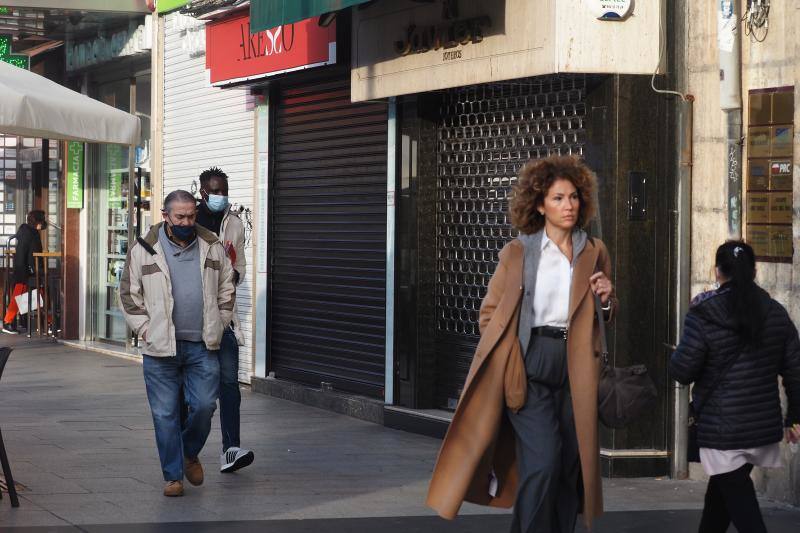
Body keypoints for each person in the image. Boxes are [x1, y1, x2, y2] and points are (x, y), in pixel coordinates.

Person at [427, 156, 615, 533]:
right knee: (543, 462)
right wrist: (512, 354)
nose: (569, 205)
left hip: (577, 367)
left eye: (574, 197)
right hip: (528, 365)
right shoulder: (518, 253)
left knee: (568, 466)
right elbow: (488, 315)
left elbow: (602, 315)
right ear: (540, 203)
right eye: (558, 198)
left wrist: (608, 299)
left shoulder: (594, 251)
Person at [671, 241, 800, 533]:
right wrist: (794, 416)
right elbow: (794, 369)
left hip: (722, 430)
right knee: (720, 498)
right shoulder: (776, 313)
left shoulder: (703, 313)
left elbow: (683, 369)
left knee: (741, 504)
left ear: (717, 272)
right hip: (761, 426)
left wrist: (678, 353)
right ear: (754, 271)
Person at [119, 189, 236, 497]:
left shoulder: (211, 245)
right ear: (165, 216)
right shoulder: (143, 249)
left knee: (204, 406)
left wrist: (222, 321)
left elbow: (227, 287)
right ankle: (173, 476)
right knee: (165, 414)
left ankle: (188, 452)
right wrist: (145, 329)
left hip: (202, 344)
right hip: (160, 349)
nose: (187, 221)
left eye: (191, 216)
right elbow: (129, 295)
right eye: (180, 216)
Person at [195, 166, 254, 473]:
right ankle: (186, 450)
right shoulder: (189, 222)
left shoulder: (233, 223)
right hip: (192, 321)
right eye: (215, 191)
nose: (221, 196)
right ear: (203, 193)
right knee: (198, 397)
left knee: (230, 383)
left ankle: (230, 448)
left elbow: (240, 267)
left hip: (225, 317)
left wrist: (231, 273)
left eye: (224, 191)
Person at [3, 210, 46, 334]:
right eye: (42, 220)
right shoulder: (31, 233)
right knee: (22, 295)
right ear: (38, 221)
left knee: (30, 294)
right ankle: (8, 322)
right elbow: (32, 253)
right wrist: (33, 269)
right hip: (26, 270)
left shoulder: (26, 231)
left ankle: (22, 320)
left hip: (23, 268)